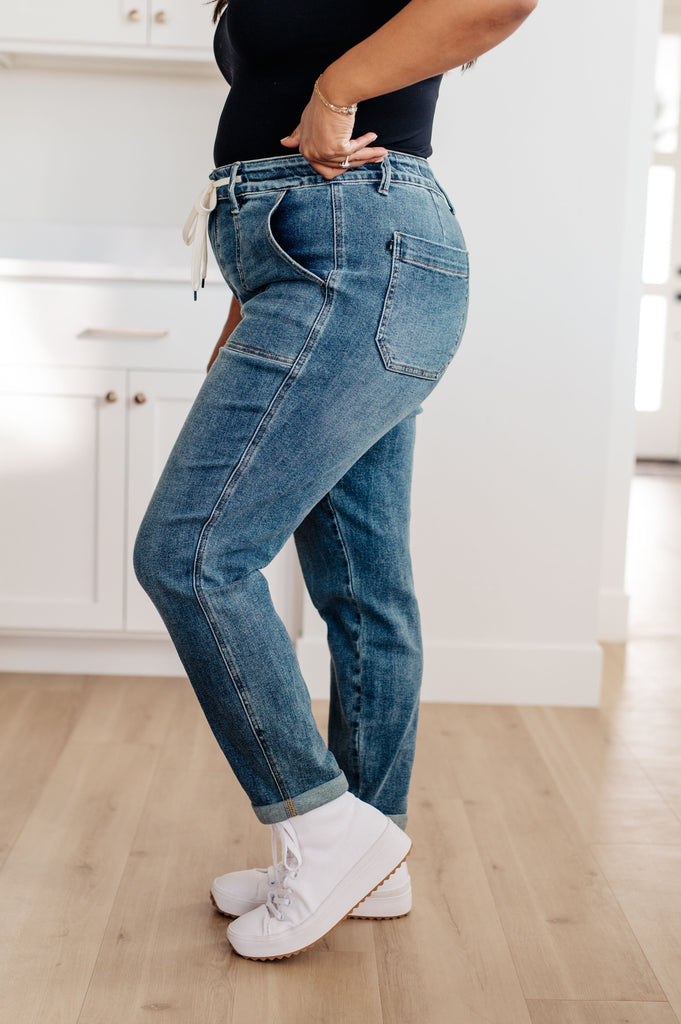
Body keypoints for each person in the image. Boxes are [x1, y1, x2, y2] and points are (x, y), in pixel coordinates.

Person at [134, 0, 537, 961]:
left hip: (354, 249)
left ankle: (324, 829)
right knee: (362, 588)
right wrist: (244, 311)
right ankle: (371, 856)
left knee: (191, 555)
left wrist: (335, 90)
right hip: (310, 257)